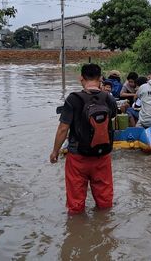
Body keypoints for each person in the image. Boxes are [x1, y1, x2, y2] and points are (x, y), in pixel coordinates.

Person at [49, 63, 117, 214]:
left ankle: (76, 231)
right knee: (105, 201)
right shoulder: (109, 99)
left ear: (81, 78)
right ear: (100, 78)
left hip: (77, 156)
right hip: (102, 156)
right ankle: (105, 227)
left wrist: (55, 151)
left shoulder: (73, 99)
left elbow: (63, 129)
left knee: (75, 203)